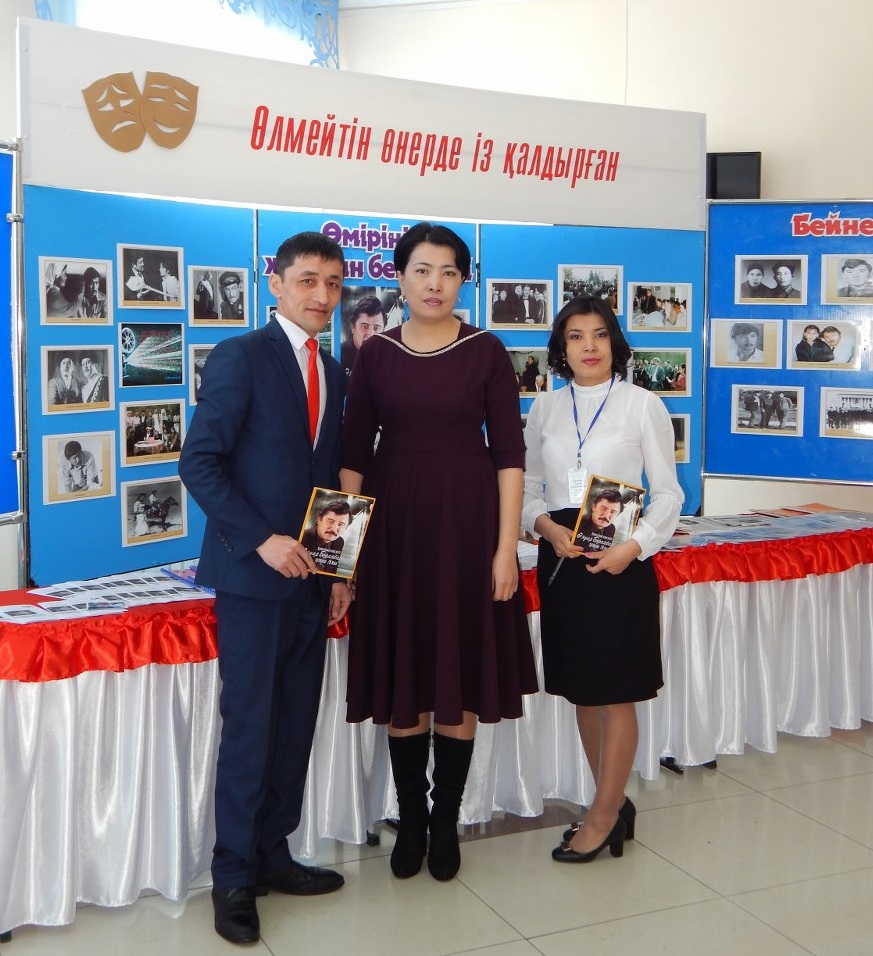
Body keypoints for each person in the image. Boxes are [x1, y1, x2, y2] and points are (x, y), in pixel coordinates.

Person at [340, 222, 537, 884]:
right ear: (399, 277)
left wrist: (505, 549)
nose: (435, 283)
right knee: (406, 674)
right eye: (422, 270)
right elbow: (352, 456)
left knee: (460, 672)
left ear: (462, 281)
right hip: (392, 529)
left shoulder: (486, 349)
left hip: (468, 526)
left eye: (449, 272)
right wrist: (346, 554)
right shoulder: (376, 353)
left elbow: (509, 455)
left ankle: (446, 818)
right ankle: (412, 817)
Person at [179, 232, 351, 946]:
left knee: (294, 723)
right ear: (274, 283)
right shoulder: (240, 356)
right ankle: (232, 876)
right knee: (251, 727)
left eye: (333, 283)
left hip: (313, 583)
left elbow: (331, 480)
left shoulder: (335, 371)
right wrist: (261, 539)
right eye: (307, 280)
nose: (321, 295)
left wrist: (339, 571)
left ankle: (274, 854)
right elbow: (200, 462)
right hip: (252, 579)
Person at [522, 295, 682, 865]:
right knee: (583, 692)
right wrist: (545, 527)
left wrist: (633, 549)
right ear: (561, 348)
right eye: (575, 336)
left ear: (615, 342)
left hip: (621, 562)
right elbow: (529, 490)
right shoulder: (545, 408)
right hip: (563, 561)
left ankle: (603, 815)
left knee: (615, 694)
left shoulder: (642, 405)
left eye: (599, 334)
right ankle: (610, 803)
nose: (589, 346)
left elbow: (669, 494)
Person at [301, 498, 351, 574]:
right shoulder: (303, 537)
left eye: (341, 524)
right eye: (330, 521)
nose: (334, 528)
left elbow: (332, 568)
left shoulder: (339, 541)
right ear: (319, 520)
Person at [340, 296, 385, 375]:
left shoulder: (390, 357)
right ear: (353, 327)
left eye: (376, 328)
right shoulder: (337, 355)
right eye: (365, 326)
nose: (370, 334)